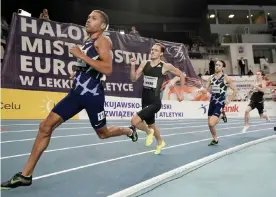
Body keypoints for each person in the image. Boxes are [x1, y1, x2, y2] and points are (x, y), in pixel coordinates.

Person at [1, 10, 138, 190]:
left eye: (94, 18)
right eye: (88, 17)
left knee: (102, 133)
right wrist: (77, 70)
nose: (88, 20)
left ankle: (129, 131)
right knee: (45, 126)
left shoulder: (103, 41)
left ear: (103, 26)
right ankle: (25, 175)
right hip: (75, 94)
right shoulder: (87, 41)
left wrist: (81, 56)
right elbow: (90, 65)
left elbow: (107, 69)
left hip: (92, 97)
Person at [129, 43, 185, 154]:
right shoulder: (145, 63)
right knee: (151, 124)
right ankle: (160, 142)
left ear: (161, 53)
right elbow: (134, 78)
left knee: (134, 121)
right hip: (144, 99)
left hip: (155, 102)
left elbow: (182, 75)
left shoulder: (165, 66)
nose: (152, 51)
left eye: (155, 50)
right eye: (152, 49)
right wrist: (132, 65)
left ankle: (149, 132)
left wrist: (181, 93)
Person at [198, 60, 237, 146]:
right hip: (212, 102)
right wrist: (201, 90)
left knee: (211, 123)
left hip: (220, 102)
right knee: (210, 124)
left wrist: (229, 99)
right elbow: (206, 90)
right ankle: (215, 139)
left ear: (223, 68)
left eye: (219, 65)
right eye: (216, 65)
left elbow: (235, 90)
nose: (217, 66)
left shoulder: (225, 78)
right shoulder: (211, 77)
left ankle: (221, 115)